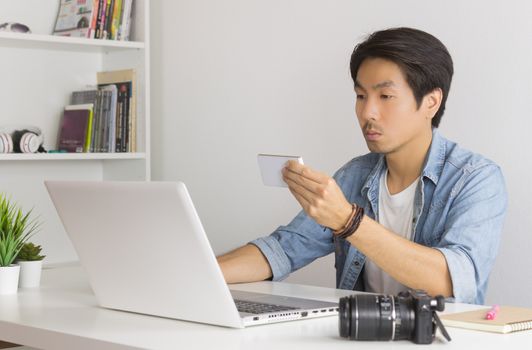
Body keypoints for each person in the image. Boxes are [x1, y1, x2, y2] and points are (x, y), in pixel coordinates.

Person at [217, 27, 507, 305]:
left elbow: (453, 279)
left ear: (431, 102)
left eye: (385, 96)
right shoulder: (355, 175)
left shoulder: (476, 179)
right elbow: (282, 250)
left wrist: (348, 221)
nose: (367, 112)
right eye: (360, 96)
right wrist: (194, 273)